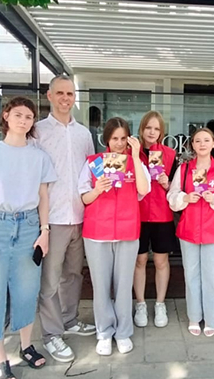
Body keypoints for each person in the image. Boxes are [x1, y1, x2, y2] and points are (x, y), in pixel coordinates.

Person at [0, 97, 57, 379]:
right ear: (6, 116)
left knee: (27, 291)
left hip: (30, 225)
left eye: (29, 117)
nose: (23, 120)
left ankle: (26, 345)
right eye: (18, 115)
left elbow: (43, 196)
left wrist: (44, 231)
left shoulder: (39, 156)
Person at [33, 75, 96, 364]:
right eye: (60, 93)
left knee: (73, 274)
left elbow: (92, 173)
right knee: (50, 280)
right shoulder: (38, 131)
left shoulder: (84, 134)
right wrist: (41, 223)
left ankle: (69, 320)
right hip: (52, 217)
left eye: (69, 93)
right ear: (49, 96)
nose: (65, 98)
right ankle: (51, 334)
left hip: (81, 216)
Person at [78, 117, 151, 356]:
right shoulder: (94, 163)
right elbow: (84, 198)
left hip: (127, 231)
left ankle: (123, 332)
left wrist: (137, 156)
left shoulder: (135, 163)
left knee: (123, 285)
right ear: (106, 139)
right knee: (100, 286)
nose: (119, 143)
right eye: (114, 138)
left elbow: (143, 190)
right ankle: (104, 332)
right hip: (97, 232)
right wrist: (97, 189)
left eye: (123, 138)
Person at [167, 128, 214, 337]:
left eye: (207, 140)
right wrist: (185, 198)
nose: (202, 144)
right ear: (192, 145)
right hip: (188, 229)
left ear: (213, 143)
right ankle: (194, 316)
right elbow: (172, 194)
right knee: (191, 275)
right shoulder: (184, 169)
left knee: (212, 276)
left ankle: (211, 319)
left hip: (213, 229)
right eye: (198, 141)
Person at [133, 111, 177, 328]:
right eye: (148, 127)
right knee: (139, 260)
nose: (152, 132)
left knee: (161, 261)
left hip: (162, 215)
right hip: (137, 215)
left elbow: (178, 189)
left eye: (156, 128)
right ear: (142, 129)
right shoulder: (132, 153)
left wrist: (167, 184)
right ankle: (140, 303)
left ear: (162, 132)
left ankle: (160, 303)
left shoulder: (169, 154)